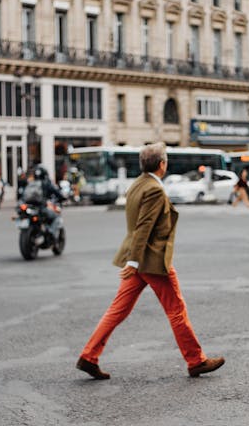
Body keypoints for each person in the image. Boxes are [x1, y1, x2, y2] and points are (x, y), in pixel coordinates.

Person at [76, 142, 225, 380]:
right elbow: (144, 226)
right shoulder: (154, 189)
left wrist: (132, 261)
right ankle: (195, 360)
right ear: (162, 165)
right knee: (176, 309)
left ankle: (89, 355)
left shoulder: (137, 184)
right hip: (151, 260)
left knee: (117, 310)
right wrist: (134, 262)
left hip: (137, 258)